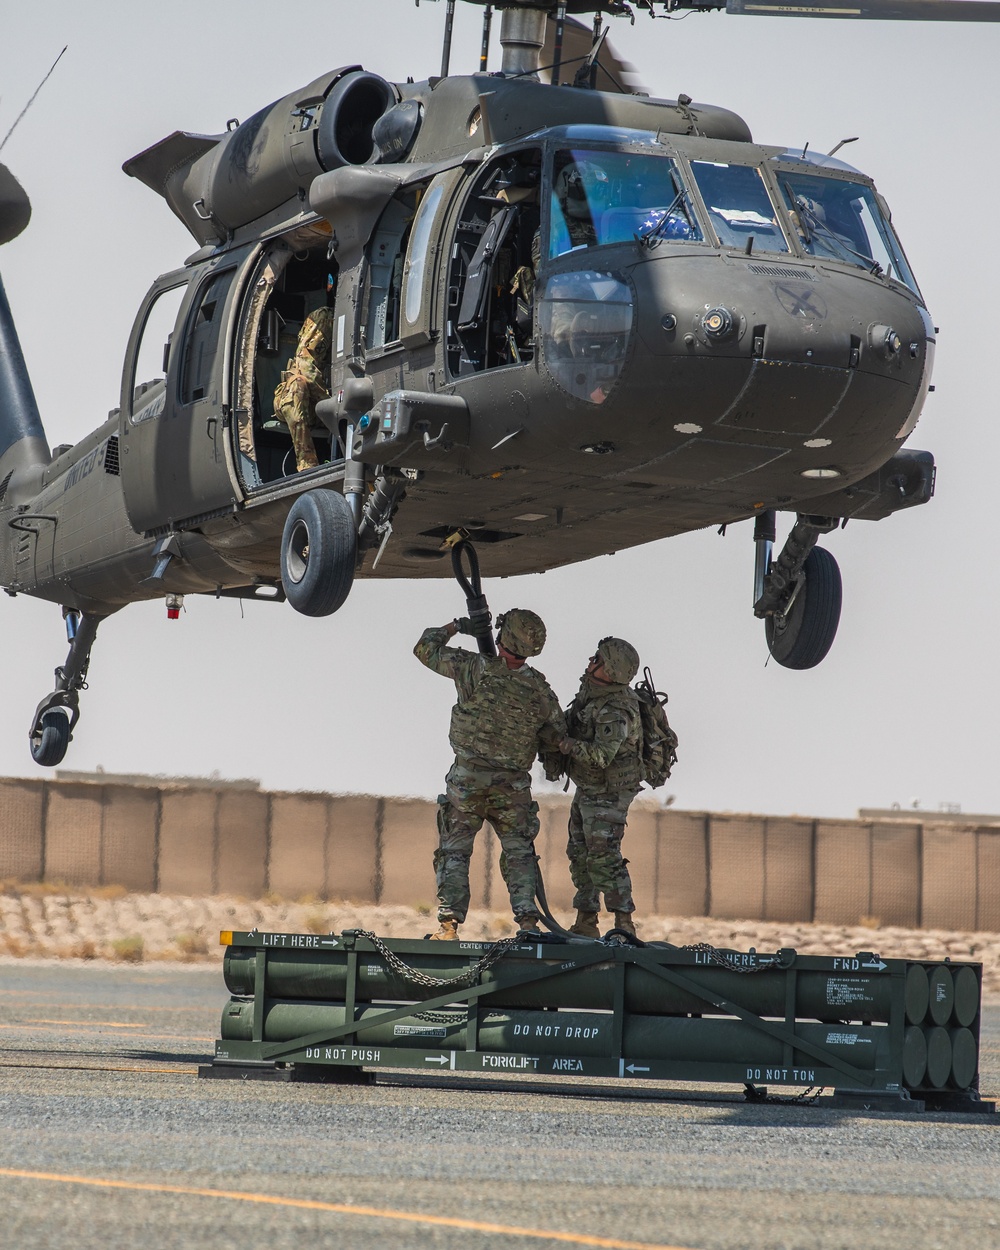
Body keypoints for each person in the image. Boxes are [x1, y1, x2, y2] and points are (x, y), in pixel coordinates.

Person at [414, 609, 567, 941]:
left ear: (503, 637)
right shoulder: (541, 690)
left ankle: (448, 927)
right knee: (520, 852)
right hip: (512, 787)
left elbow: (424, 648)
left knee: (455, 850)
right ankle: (528, 923)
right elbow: (556, 737)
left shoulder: (473, 668)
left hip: (467, 780)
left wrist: (456, 627)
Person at [558, 637, 643, 940]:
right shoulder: (592, 695)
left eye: (597, 658)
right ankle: (586, 920)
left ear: (610, 669)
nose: (590, 661)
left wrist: (565, 745)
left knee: (604, 856)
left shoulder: (615, 710)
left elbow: (602, 755)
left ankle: (624, 924)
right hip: (589, 788)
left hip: (608, 793)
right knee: (579, 852)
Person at [272, 304, 335, 473]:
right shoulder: (325, 318)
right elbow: (305, 366)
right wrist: (331, 407)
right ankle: (306, 463)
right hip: (300, 400)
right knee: (297, 384)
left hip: (326, 407)